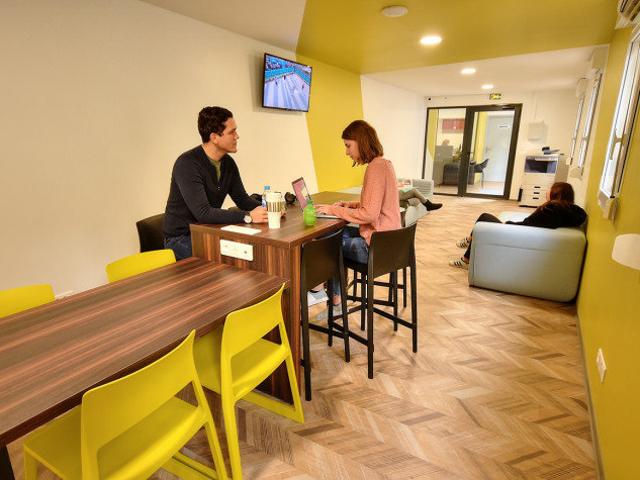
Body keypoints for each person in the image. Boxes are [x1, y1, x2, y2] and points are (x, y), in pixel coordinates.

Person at [315, 120, 402, 316]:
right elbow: (376, 204)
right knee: (334, 234)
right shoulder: (385, 164)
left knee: (327, 244)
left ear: (361, 142)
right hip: (390, 243)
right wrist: (350, 205)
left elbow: (369, 214)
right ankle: (334, 298)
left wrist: (333, 210)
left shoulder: (375, 168)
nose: (346, 152)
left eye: (348, 146)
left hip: (375, 248)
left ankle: (323, 294)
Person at [163, 107, 268, 260]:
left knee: (252, 251)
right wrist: (248, 216)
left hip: (208, 231)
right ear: (214, 137)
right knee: (239, 257)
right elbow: (203, 213)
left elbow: (242, 199)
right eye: (232, 132)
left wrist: (269, 209)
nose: (237, 136)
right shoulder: (187, 164)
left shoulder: (228, 163)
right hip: (181, 239)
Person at [449, 182, 587, 269]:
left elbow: (527, 224)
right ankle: (468, 242)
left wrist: (508, 223)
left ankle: (466, 254)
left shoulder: (550, 210)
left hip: (516, 233)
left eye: (550, 189)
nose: (547, 191)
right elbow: (532, 224)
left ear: (556, 193)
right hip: (524, 233)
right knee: (484, 220)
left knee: (484, 217)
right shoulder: (568, 211)